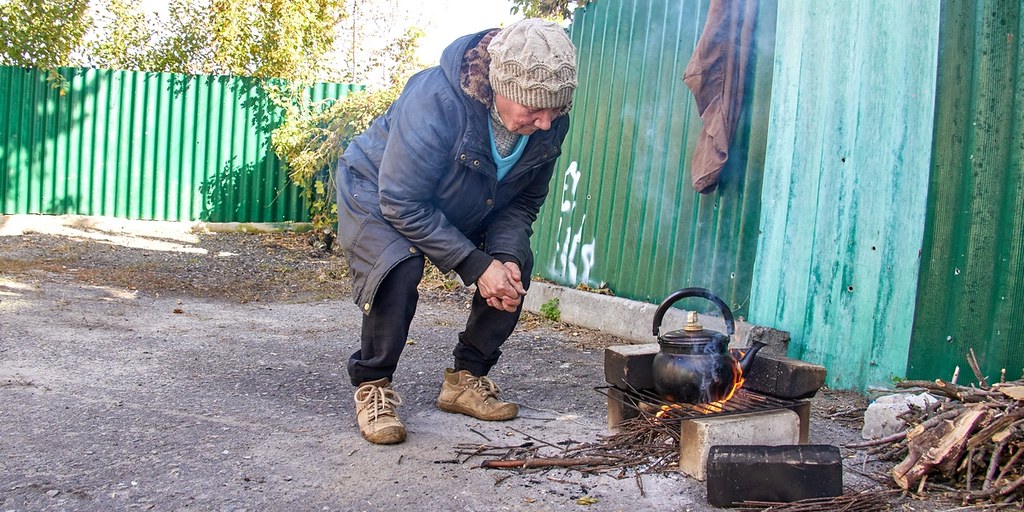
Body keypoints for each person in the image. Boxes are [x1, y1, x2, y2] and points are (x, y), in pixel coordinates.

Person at [334, 18, 578, 445]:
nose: (546, 123)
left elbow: (520, 202)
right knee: (399, 267)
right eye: (535, 109)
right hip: (378, 188)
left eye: (556, 110)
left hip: (464, 198)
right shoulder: (436, 100)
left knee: (514, 261)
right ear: (502, 87)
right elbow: (401, 200)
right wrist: (475, 264)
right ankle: (373, 384)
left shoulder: (550, 123)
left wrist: (499, 258)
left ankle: (466, 379)